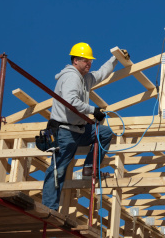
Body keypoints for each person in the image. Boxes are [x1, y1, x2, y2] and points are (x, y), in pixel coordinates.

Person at [42, 42, 118, 211]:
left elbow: (102, 73)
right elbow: (71, 102)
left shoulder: (85, 78)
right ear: (75, 60)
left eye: (90, 61)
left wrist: (116, 58)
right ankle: (49, 209)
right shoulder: (71, 77)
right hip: (64, 131)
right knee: (58, 170)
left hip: (79, 130)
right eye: (85, 60)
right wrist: (93, 110)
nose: (89, 64)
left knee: (104, 133)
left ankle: (90, 167)